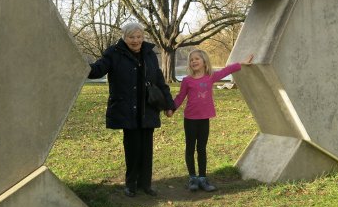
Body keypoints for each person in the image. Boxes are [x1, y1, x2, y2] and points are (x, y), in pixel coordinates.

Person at [88, 22, 175, 197]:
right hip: (127, 109)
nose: (135, 41)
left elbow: (159, 80)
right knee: (132, 148)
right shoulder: (114, 53)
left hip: (148, 108)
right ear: (124, 37)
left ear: (143, 37)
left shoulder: (149, 54)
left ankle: (146, 184)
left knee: (146, 149)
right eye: (131, 37)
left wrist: (169, 104)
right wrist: (81, 65)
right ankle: (131, 184)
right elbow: (96, 70)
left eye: (139, 37)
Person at [173, 50, 253, 192]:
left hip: (204, 119)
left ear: (204, 61)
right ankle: (193, 178)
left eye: (197, 59)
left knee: (202, 148)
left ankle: (202, 178)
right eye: (191, 60)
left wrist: (241, 63)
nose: (194, 61)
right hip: (190, 119)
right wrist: (171, 109)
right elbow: (180, 97)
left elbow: (227, 70)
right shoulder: (187, 80)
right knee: (190, 148)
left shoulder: (210, 77)